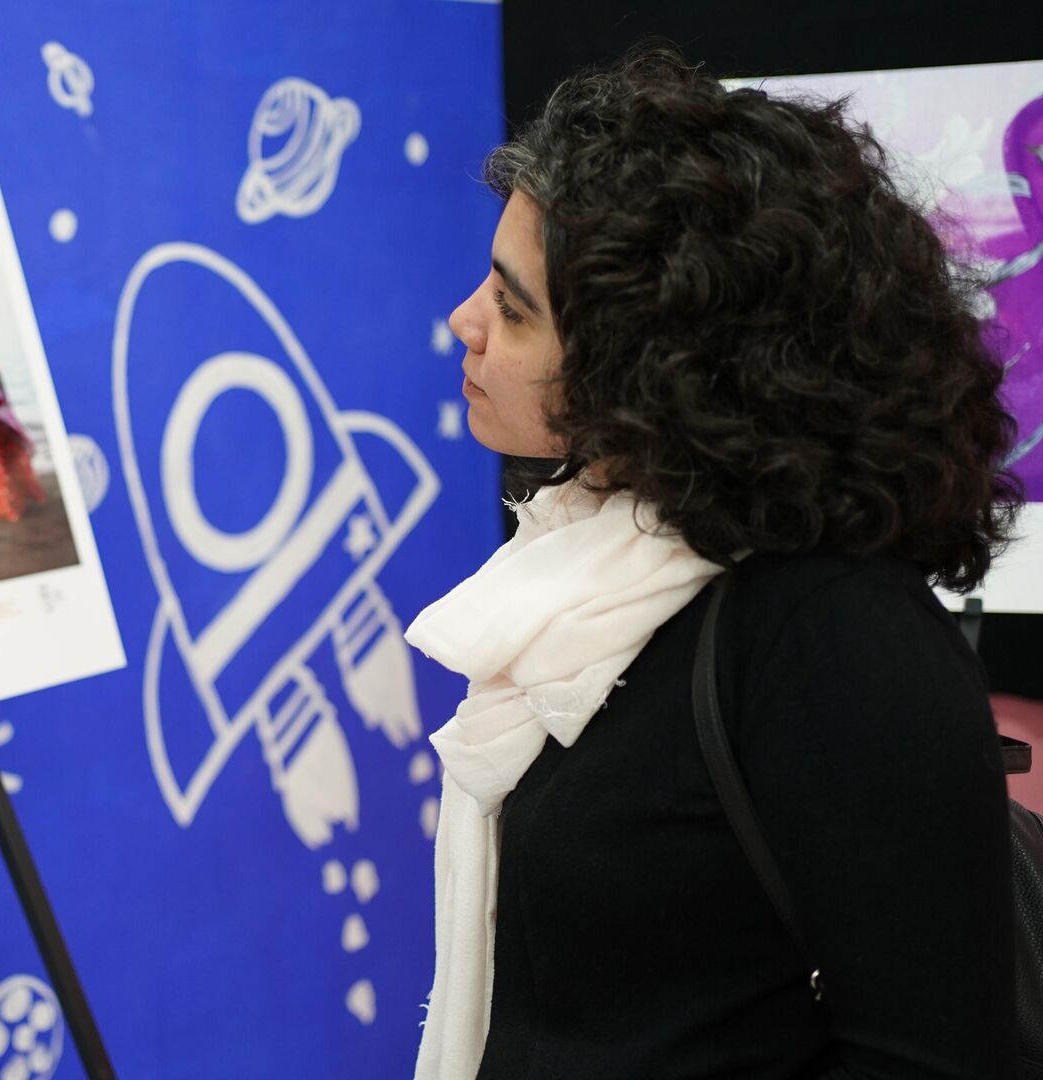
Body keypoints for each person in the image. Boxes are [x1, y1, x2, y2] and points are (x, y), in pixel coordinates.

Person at [405, 47, 1020, 1078]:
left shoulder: (830, 633)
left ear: (651, 360)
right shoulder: (586, 559)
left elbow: (931, 1054)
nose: (464, 323)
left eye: (514, 308)